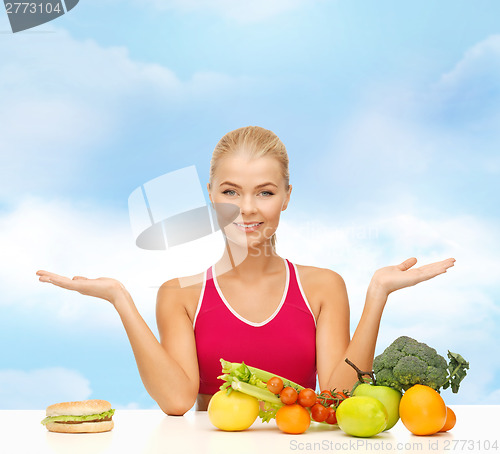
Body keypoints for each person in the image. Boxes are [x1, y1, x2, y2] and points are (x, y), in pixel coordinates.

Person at [36, 126, 455, 415]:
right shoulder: (179, 295)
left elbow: (336, 395)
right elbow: (178, 402)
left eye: (265, 192)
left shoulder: (323, 287)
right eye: (231, 191)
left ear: (287, 197)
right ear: (211, 196)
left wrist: (377, 293)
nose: (248, 209)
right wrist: (120, 299)